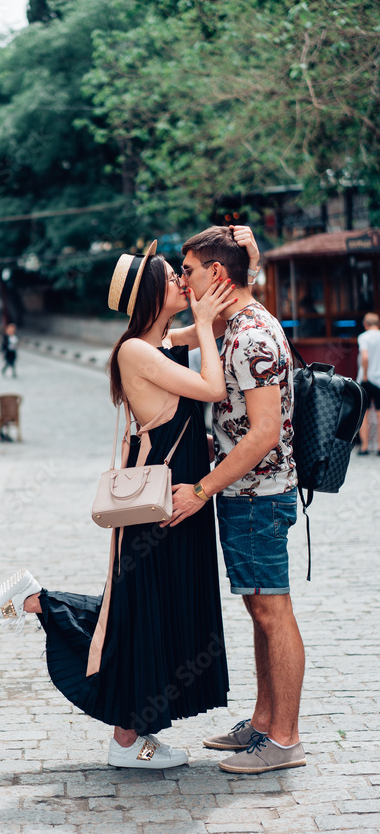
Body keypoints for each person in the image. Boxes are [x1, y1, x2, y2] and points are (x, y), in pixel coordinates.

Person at [0, 241, 239, 770]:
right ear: (149, 296)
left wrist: (239, 261)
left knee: (151, 614)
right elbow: (211, 387)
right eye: (172, 278)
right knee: (143, 615)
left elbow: (222, 321)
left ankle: (129, 730)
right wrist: (205, 323)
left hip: (177, 499)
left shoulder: (161, 342)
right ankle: (120, 732)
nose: (183, 284)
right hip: (158, 506)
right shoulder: (135, 351)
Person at [168, 226, 305, 775]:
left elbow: (263, 433)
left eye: (190, 271)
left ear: (216, 276)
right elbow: (186, 339)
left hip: (258, 496)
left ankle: (285, 742)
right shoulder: (238, 324)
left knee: (273, 611)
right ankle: (264, 724)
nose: (184, 279)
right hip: (250, 494)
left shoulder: (250, 336)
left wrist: (203, 489)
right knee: (259, 610)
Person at [357, 312, 380, 455]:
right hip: (379, 380)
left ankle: (364, 446)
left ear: (365, 324)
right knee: (379, 413)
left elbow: (364, 356)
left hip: (366, 379)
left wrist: (364, 374)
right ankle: (379, 446)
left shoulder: (363, 337)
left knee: (363, 414)